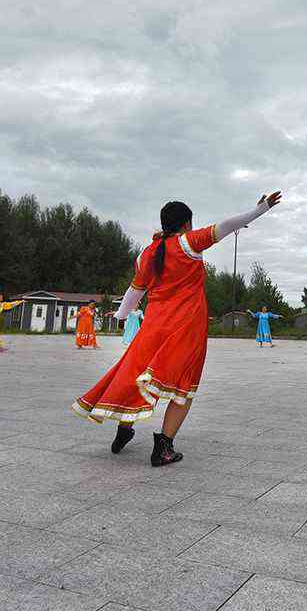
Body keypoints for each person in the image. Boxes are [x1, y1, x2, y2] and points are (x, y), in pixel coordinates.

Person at [73, 192, 282, 462]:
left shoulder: (146, 254)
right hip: (185, 329)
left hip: (153, 328)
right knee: (183, 388)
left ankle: (125, 428)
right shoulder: (189, 243)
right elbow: (227, 226)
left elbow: (135, 290)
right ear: (186, 224)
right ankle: (164, 447)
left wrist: (121, 315)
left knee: (138, 377)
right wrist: (260, 210)